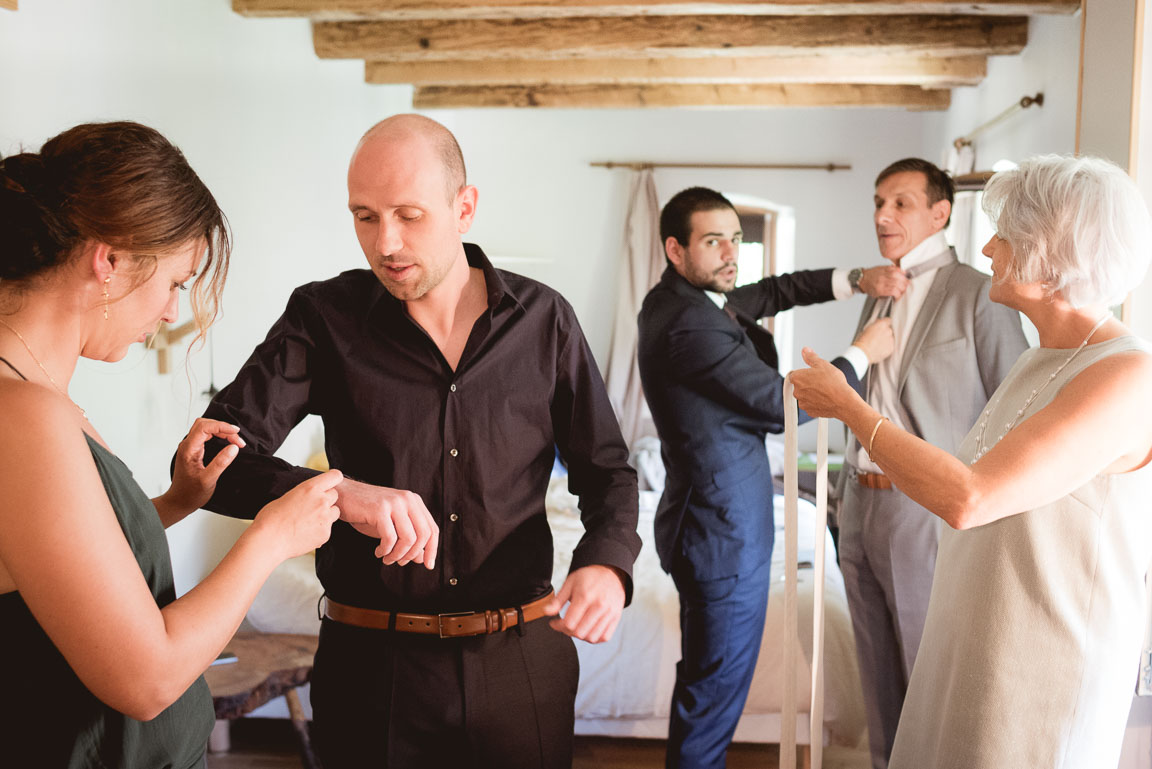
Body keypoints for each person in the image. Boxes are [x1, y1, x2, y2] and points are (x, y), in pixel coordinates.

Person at [195, 113, 641, 769]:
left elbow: (608, 472)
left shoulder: (546, 321)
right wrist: (340, 493)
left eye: (409, 215)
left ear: (465, 208)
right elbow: (213, 460)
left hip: (522, 663)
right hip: (370, 672)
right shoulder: (321, 318)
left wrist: (606, 564)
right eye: (365, 216)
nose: (386, 242)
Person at [790, 154, 1152, 768]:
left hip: (1043, 661)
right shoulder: (1039, 358)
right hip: (977, 639)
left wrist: (849, 407)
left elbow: (970, 496)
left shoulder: (1126, 375)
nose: (986, 248)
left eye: (1005, 235)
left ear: (1054, 252)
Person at [0, 121, 343, 769]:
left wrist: (174, 503)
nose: (169, 313)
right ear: (109, 260)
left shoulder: (36, 400)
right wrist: (271, 537)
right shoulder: (23, 416)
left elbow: (56, 566)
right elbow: (147, 679)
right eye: (177, 283)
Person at [636, 186, 903, 767]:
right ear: (675, 250)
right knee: (713, 693)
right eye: (714, 241)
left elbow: (778, 290)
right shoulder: (687, 322)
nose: (731, 253)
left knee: (709, 681)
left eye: (735, 238)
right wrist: (861, 352)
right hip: (719, 534)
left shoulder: (695, 298)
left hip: (714, 523)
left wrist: (858, 279)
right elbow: (783, 404)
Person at [834, 158, 1028, 769]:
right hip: (856, 499)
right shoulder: (878, 288)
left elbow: (1013, 407)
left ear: (940, 212)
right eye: (878, 202)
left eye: (900, 203)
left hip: (923, 506)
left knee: (925, 667)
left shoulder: (979, 291)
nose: (882, 215)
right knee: (875, 671)